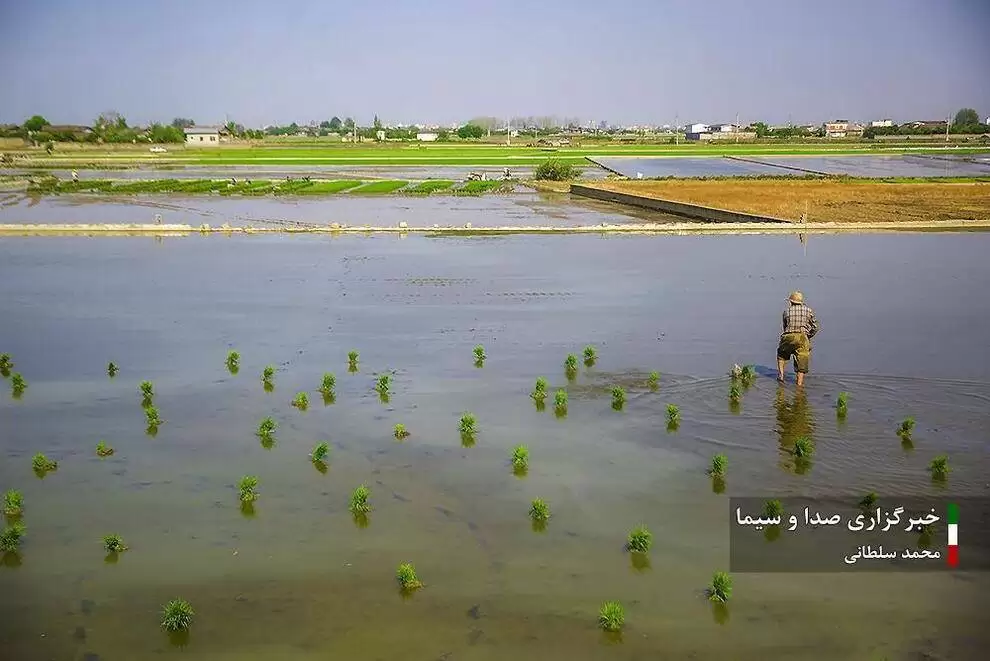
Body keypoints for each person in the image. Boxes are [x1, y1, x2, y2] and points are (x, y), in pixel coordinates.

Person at [777, 291, 819, 386]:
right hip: (802, 337)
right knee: (802, 360)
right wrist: (808, 335)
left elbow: (785, 326)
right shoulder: (808, 310)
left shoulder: (786, 311)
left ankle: (781, 375)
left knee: (781, 355)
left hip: (788, 336)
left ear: (791, 302)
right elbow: (815, 327)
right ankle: (799, 384)